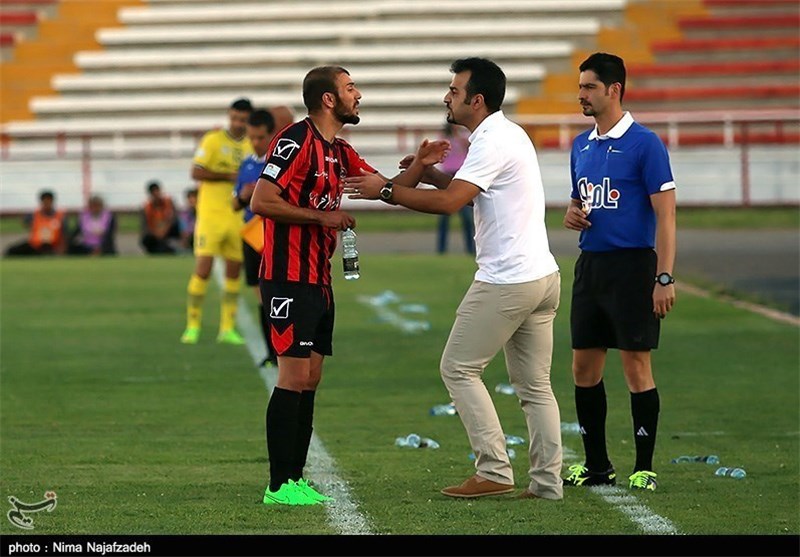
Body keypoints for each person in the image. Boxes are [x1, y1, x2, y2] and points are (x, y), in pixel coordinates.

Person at [346, 57, 563, 501]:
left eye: (454, 90)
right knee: (535, 387)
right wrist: (427, 173)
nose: (447, 96)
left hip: (508, 280)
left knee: (458, 368)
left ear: (476, 100)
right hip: (542, 274)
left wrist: (386, 189)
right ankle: (546, 484)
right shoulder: (506, 133)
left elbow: (449, 204)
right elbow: (466, 194)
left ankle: (494, 470)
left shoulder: (490, 141)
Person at [249, 66, 446, 506]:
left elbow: (386, 189)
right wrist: (325, 216)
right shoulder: (294, 140)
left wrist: (420, 164)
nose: (359, 95)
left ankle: (295, 479)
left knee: (311, 378)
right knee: (293, 375)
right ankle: (278, 485)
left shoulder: (339, 151)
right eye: (351, 87)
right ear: (328, 100)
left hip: (319, 278)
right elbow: (261, 200)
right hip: (287, 277)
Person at [561, 52, 677, 492]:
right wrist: (573, 214)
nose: (581, 95)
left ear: (614, 90)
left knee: (636, 368)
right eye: (580, 87)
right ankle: (596, 465)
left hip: (633, 267)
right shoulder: (580, 145)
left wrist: (663, 277)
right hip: (591, 266)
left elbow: (665, 216)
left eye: (589, 87)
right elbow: (580, 200)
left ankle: (644, 466)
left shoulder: (645, 143)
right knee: (583, 368)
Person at [180, 97, 254, 345]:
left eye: (243, 120)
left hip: (237, 217)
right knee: (203, 269)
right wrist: (228, 175)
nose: (237, 123)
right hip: (211, 215)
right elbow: (196, 171)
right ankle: (192, 325)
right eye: (234, 118)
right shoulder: (213, 140)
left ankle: (227, 328)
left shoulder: (251, 146)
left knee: (234, 271)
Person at [232, 108, 279, 367]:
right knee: (260, 295)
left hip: (273, 234)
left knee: (278, 294)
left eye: (260, 137)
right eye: (252, 137)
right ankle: (271, 352)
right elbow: (235, 203)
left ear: (270, 135)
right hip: (252, 236)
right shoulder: (247, 164)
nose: (256, 142)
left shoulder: (279, 163)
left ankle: (283, 349)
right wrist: (243, 196)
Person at [435, 122, 475, 255]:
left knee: (467, 217)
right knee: (443, 216)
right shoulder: (443, 138)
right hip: (447, 175)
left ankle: (470, 248)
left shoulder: (463, 138)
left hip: (460, 175)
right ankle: (441, 249)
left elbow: (468, 148)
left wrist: (458, 135)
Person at [4, 189, 67, 257]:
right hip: (35, 245)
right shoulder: (34, 214)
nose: (46, 203)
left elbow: (65, 234)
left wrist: (62, 248)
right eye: (45, 201)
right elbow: (24, 222)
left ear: (52, 201)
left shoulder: (60, 216)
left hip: (52, 246)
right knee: (11, 251)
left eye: (48, 201)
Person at [140, 180, 179, 254]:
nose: (156, 194)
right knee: (147, 239)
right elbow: (146, 224)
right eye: (153, 192)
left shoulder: (169, 202)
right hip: (154, 232)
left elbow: (174, 218)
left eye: (157, 191)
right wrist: (156, 233)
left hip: (168, 229)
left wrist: (165, 229)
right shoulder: (147, 207)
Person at [178, 187, 198, 252]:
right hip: (190, 237)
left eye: (194, 197)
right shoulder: (184, 213)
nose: (192, 200)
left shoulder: (203, 212)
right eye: (189, 198)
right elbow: (184, 229)